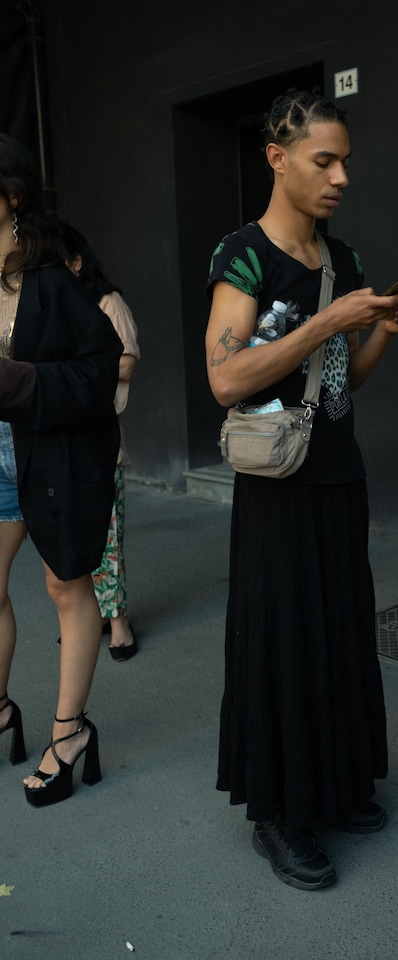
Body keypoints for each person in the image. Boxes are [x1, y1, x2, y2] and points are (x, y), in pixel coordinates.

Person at [205, 88, 398, 890]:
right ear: (277, 158)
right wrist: (328, 324)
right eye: (322, 160)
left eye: (345, 163)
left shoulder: (349, 260)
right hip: (275, 483)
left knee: (334, 634)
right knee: (281, 640)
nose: (339, 177)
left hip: (336, 473)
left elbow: (338, 386)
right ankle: (279, 813)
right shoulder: (245, 256)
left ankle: (334, 785)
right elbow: (225, 379)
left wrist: (379, 331)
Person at [0, 134, 122, 804]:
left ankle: (69, 731)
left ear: (12, 198)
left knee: (65, 588)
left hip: (47, 450)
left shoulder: (49, 284)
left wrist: (16, 385)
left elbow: (98, 373)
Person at [58, 222, 140, 661]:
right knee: (73, 534)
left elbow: (125, 364)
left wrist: (72, 373)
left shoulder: (108, 302)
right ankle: (91, 617)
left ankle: (119, 620)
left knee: (108, 535)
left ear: (76, 262)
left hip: (99, 437)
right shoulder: (54, 308)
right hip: (62, 439)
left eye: (57, 263)